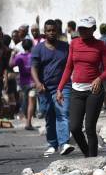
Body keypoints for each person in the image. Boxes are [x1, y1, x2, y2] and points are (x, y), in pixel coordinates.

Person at [57, 17, 106, 157]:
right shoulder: (74, 44)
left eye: (85, 28)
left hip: (94, 91)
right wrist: (60, 89)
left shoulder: (101, 45)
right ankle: (88, 154)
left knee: (89, 128)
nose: (81, 31)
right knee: (74, 127)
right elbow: (69, 67)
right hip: (77, 90)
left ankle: (93, 160)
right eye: (80, 28)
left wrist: (99, 79)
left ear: (93, 29)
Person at [31, 19, 74, 156]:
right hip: (45, 88)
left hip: (63, 86)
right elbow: (34, 68)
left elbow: (71, 64)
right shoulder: (38, 49)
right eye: (48, 30)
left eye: (53, 30)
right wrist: (38, 83)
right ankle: (52, 144)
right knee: (49, 115)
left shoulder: (65, 47)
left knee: (63, 112)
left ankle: (64, 143)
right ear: (45, 32)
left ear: (57, 31)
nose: (51, 33)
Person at [11, 39, 36, 130]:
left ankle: (27, 121)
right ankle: (28, 122)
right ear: (31, 46)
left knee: (25, 102)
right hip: (33, 82)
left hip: (23, 83)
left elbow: (11, 64)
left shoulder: (19, 57)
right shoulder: (34, 56)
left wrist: (12, 54)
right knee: (31, 103)